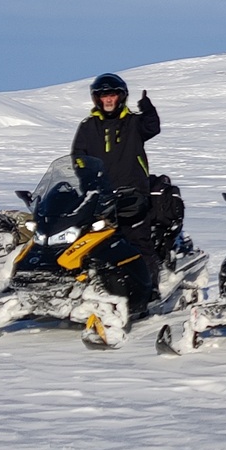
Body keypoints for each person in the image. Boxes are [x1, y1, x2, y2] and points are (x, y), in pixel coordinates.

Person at [71, 73, 160, 311]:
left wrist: (147, 108)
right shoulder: (88, 126)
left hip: (133, 192)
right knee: (98, 242)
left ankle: (149, 287)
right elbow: (78, 155)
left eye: (111, 95)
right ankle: (101, 287)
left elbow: (153, 128)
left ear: (120, 97)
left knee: (137, 239)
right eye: (103, 96)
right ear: (96, 99)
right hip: (101, 195)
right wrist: (87, 179)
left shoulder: (133, 122)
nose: (108, 100)